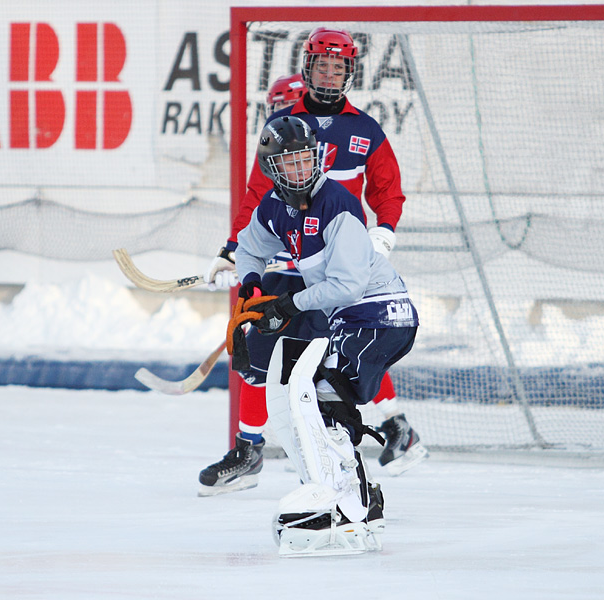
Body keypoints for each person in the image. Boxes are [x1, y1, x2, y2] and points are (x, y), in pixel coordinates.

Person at [199, 29, 427, 497]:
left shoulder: (365, 130)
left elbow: (388, 190)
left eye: (337, 67)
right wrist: (236, 253)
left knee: (339, 348)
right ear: (306, 68)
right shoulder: (287, 127)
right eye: (321, 66)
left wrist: (382, 233)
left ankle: (364, 444)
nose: (329, 75)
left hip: (331, 261)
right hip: (289, 260)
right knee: (255, 343)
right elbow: (259, 198)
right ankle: (250, 449)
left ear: (350, 73)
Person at [229, 114, 418, 555]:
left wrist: (288, 303)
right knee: (316, 399)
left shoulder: (338, 205)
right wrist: (253, 283)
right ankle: (355, 505)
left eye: (305, 159)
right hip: (352, 319)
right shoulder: (273, 207)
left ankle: (344, 503)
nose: (301, 170)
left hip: (378, 315)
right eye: (289, 163)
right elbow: (249, 246)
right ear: (273, 169)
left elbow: (348, 286)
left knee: (323, 398)